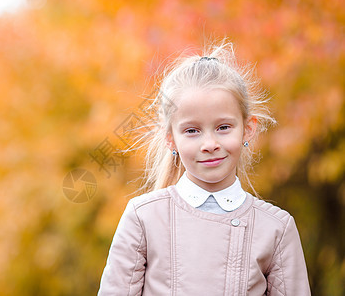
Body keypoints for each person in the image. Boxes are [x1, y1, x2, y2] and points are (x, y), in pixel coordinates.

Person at [97, 41, 311, 295]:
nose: (209, 144)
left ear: (248, 128)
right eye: (192, 131)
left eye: (223, 127)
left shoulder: (275, 228)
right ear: (171, 139)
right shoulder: (143, 218)